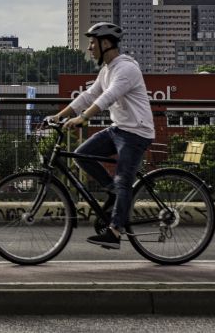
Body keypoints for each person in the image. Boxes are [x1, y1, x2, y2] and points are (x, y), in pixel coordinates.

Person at [47, 22, 154, 249]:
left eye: (92, 43)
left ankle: (115, 232)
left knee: (124, 179)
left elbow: (108, 97)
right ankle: (113, 192)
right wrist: (60, 115)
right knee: (81, 154)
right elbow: (89, 95)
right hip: (120, 128)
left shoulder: (126, 69)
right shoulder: (107, 70)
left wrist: (83, 118)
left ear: (106, 43)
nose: (89, 48)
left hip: (136, 132)